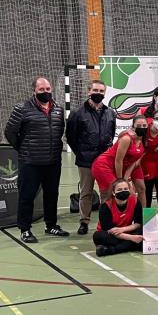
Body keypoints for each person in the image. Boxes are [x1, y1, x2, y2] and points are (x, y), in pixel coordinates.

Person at [4, 77, 68, 242]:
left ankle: (51, 225)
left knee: (52, 195)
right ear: (34, 91)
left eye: (48, 89)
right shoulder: (22, 108)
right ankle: (25, 229)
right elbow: (10, 133)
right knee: (27, 196)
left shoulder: (59, 109)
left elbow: (59, 131)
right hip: (30, 162)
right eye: (41, 89)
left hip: (53, 162)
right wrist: (23, 149)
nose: (45, 92)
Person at [66, 79, 116, 235]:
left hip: (104, 161)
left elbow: (111, 134)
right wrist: (80, 152)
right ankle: (84, 222)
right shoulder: (77, 113)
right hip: (85, 159)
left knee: (106, 192)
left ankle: (105, 221)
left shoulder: (110, 113)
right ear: (88, 91)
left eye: (101, 91)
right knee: (86, 192)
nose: (98, 94)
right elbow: (70, 137)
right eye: (95, 90)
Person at [91, 115, 147, 206]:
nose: (142, 128)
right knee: (110, 193)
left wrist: (126, 178)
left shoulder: (144, 140)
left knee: (140, 189)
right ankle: (105, 218)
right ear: (133, 127)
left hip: (125, 166)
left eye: (144, 126)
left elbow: (134, 162)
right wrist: (121, 181)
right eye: (139, 125)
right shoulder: (126, 139)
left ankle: (143, 216)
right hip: (104, 166)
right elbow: (118, 160)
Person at [93, 179, 143, 257]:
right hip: (111, 235)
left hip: (126, 231)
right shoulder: (105, 206)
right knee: (98, 236)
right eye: (119, 190)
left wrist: (123, 229)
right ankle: (131, 245)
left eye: (126, 189)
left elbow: (138, 223)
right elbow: (109, 229)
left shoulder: (135, 201)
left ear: (129, 190)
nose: (123, 191)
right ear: (113, 192)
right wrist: (131, 238)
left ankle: (111, 250)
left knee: (144, 231)